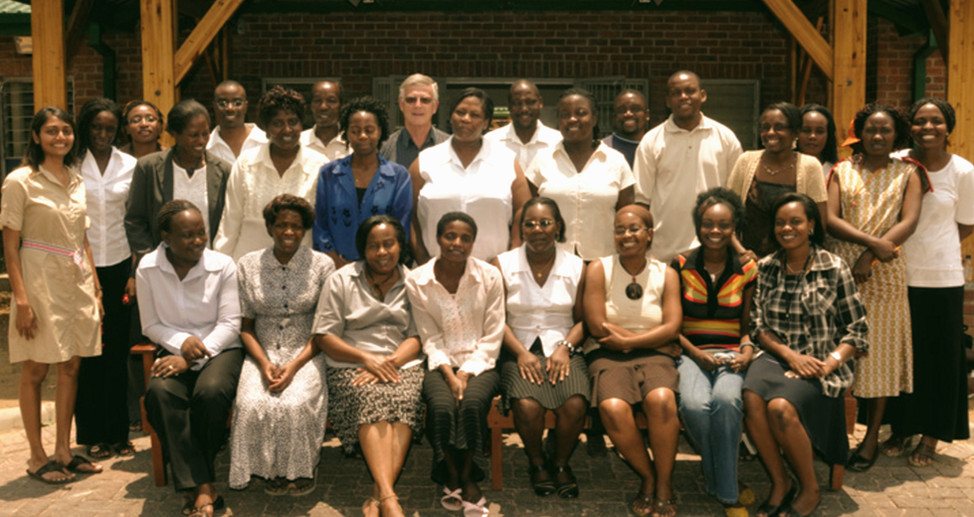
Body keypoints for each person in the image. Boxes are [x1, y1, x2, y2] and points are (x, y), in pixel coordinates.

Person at [743, 193, 867, 517]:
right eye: (781, 222)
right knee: (751, 397)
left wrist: (830, 363)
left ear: (811, 225)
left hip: (820, 362)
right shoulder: (767, 268)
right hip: (774, 356)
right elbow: (757, 325)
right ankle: (780, 482)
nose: (787, 228)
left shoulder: (834, 267)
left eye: (795, 221)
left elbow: (857, 330)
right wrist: (788, 355)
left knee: (781, 408)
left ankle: (809, 488)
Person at [1, 106, 103, 484]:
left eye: (66, 131)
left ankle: (63, 449)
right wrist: (22, 299)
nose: (60, 137)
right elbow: (10, 246)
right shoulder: (20, 181)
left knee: (71, 365)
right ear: (36, 136)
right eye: (51, 131)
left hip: (75, 281)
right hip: (38, 282)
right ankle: (36, 456)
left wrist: (95, 287)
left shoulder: (77, 180)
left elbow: (83, 238)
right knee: (36, 366)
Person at [826, 103, 924, 473]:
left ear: (896, 134)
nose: (877, 136)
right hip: (842, 272)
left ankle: (870, 440)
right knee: (838, 350)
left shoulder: (910, 173)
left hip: (885, 275)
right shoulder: (841, 170)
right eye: (870, 130)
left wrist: (872, 255)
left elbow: (910, 220)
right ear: (859, 134)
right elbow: (831, 219)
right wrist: (873, 244)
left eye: (885, 130)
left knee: (879, 355)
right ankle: (835, 432)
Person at [138, 200, 243, 517]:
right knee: (160, 393)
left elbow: (230, 324)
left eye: (202, 232)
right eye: (188, 235)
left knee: (210, 392)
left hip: (221, 349)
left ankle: (194, 487)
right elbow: (150, 324)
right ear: (166, 236)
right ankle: (203, 486)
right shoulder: (147, 268)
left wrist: (193, 356)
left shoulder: (223, 265)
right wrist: (182, 343)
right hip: (172, 349)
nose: (198, 240)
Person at [883, 98, 973, 466]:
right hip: (898, 277)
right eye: (920, 121)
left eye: (936, 121)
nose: (928, 127)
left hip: (942, 278)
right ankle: (902, 427)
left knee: (940, 360)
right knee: (903, 357)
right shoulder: (898, 162)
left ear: (948, 127)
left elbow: (966, 224)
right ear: (911, 126)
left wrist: (938, 246)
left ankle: (933, 435)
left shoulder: (963, 171)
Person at [316, 215, 423, 517]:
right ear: (363, 249)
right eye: (373, 245)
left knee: (403, 403)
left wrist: (389, 362)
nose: (382, 252)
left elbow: (417, 335)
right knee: (369, 402)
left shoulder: (413, 281)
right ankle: (390, 499)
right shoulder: (341, 279)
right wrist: (367, 359)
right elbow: (324, 336)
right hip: (351, 362)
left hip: (400, 361)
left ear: (400, 247)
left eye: (388, 244)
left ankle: (380, 497)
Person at [228, 195, 334, 494]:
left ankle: (298, 471)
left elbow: (325, 328)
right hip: (261, 353)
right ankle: (267, 470)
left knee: (295, 403)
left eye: (296, 226)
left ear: (305, 230)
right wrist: (263, 365)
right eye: (281, 225)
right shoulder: (248, 265)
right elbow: (245, 327)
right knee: (250, 404)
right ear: (270, 227)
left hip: (307, 352)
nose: (289, 232)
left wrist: (294, 365)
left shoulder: (321, 265)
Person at [582, 204, 682, 517]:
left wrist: (631, 341)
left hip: (653, 355)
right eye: (620, 229)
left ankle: (664, 483)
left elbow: (672, 326)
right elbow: (597, 324)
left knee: (662, 400)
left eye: (634, 228)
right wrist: (637, 341)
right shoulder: (599, 268)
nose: (626, 235)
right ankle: (647, 476)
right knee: (612, 408)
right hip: (608, 352)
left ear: (649, 234)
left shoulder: (666, 273)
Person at [405, 212, 504, 517]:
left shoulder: (489, 276)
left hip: (482, 363)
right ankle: (449, 470)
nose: (457, 243)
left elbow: (494, 333)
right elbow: (428, 335)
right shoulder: (418, 279)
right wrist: (449, 373)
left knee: (473, 403)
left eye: (465, 238)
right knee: (442, 406)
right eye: (450, 236)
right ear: (438, 238)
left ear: (473, 242)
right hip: (438, 363)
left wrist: (465, 372)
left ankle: (468, 473)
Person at [492, 197, 588, 500]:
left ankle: (560, 462)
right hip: (516, 348)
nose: (537, 229)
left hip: (563, 348)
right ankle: (536, 462)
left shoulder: (576, 265)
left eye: (545, 223)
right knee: (527, 406)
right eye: (529, 224)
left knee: (573, 403)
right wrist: (520, 353)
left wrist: (565, 347)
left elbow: (585, 319)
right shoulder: (502, 263)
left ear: (557, 227)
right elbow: (495, 319)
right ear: (520, 229)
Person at [672, 188, 757, 517]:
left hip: (732, 355)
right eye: (708, 223)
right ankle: (725, 483)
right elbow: (673, 327)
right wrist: (695, 354)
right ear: (698, 225)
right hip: (690, 353)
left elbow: (747, 325)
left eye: (724, 224)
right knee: (694, 405)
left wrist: (747, 353)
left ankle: (725, 491)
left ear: (734, 227)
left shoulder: (746, 270)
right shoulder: (680, 265)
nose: (715, 231)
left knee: (726, 402)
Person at [75, 98, 138, 460]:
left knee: (114, 350)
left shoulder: (129, 165)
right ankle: (92, 433)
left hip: (118, 266)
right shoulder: (70, 164)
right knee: (86, 351)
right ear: (85, 127)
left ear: (119, 130)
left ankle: (117, 432)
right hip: (79, 267)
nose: (102, 134)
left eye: (109, 128)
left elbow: (135, 220)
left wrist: (133, 272)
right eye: (96, 127)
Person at [409, 87, 531, 264]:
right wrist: (421, 259)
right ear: (450, 116)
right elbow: (408, 214)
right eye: (460, 112)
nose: (466, 119)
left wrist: (511, 257)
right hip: (435, 272)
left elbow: (524, 210)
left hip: (493, 273)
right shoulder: (426, 160)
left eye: (474, 115)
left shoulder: (505, 160)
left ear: (486, 122)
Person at [633, 70, 742, 263]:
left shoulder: (725, 138)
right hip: (663, 254)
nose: (683, 97)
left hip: (714, 253)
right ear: (667, 100)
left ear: (703, 95)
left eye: (690, 91)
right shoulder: (652, 141)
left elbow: (735, 199)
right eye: (676, 93)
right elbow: (641, 201)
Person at [213, 85, 326, 261]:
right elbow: (230, 223)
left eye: (293, 122)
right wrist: (221, 269)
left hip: (300, 269)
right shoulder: (246, 164)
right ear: (265, 128)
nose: (287, 130)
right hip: (248, 267)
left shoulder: (320, 166)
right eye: (277, 123)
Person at [525, 88, 635, 262]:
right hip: (551, 262)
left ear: (594, 118)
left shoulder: (616, 161)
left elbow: (628, 215)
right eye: (565, 114)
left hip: (604, 261)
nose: (572, 119)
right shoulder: (542, 160)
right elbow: (526, 212)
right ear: (558, 120)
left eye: (581, 113)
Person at [313, 96, 413, 268]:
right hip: (336, 269)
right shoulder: (329, 174)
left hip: (383, 268)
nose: (362, 136)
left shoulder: (398, 176)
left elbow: (401, 228)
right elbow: (320, 224)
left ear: (380, 131)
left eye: (369, 129)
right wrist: (335, 260)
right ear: (346, 133)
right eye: (355, 130)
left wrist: (377, 264)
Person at [125, 99, 232, 259]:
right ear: (174, 134)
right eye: (193, 135)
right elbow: (135, 220)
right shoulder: (149, 168)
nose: (201, 141)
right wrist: (151, 258)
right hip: (163, 266)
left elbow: (229, 221)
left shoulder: (223, 170)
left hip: (209, 265)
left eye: (205, 134)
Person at [726, 102, 828, 257]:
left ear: (795, 132)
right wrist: (742, 253)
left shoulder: (810, 166)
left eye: (779, 127)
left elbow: (819, 224)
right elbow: (726, 217)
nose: (770, 132)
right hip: (746, 263)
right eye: (765, 127)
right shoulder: (745, 161)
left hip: (792, 265)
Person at [484, 79, 562, 170]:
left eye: (530, 102)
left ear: (540, 103)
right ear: (509, 105)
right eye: (517, 103)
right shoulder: (490, 142)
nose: (524, 109)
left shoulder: (558, 142)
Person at [380, 74, 449, 167]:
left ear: (435, 106)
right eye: (411, 100)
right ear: (401, 104)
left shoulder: (450, 147)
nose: (417, 105)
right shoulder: (384, 148)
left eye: (425, 100)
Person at [206, 80, 267, 165]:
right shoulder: (206, 147)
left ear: (246, 106)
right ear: (214, 106)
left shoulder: (266, 142)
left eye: (237, 103)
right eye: (222, 103)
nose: (230, 108)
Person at [300, 80, 350, 161]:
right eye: (317, 101)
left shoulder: (353, 144)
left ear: (342, 106)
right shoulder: (298, 143)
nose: (323, 107)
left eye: (331, 101)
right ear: (311, 106)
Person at [602, 89, 650, 168]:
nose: (628, 114)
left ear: (647, 115)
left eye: (635, 109)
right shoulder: (603, 150)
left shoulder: (657, 147)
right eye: (621, 110)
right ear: (614, 116)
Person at [797, 104, 839, 179]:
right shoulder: (784, 170)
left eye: (820, 131)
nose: (812, 136)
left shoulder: (836, 173)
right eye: (806, 130)